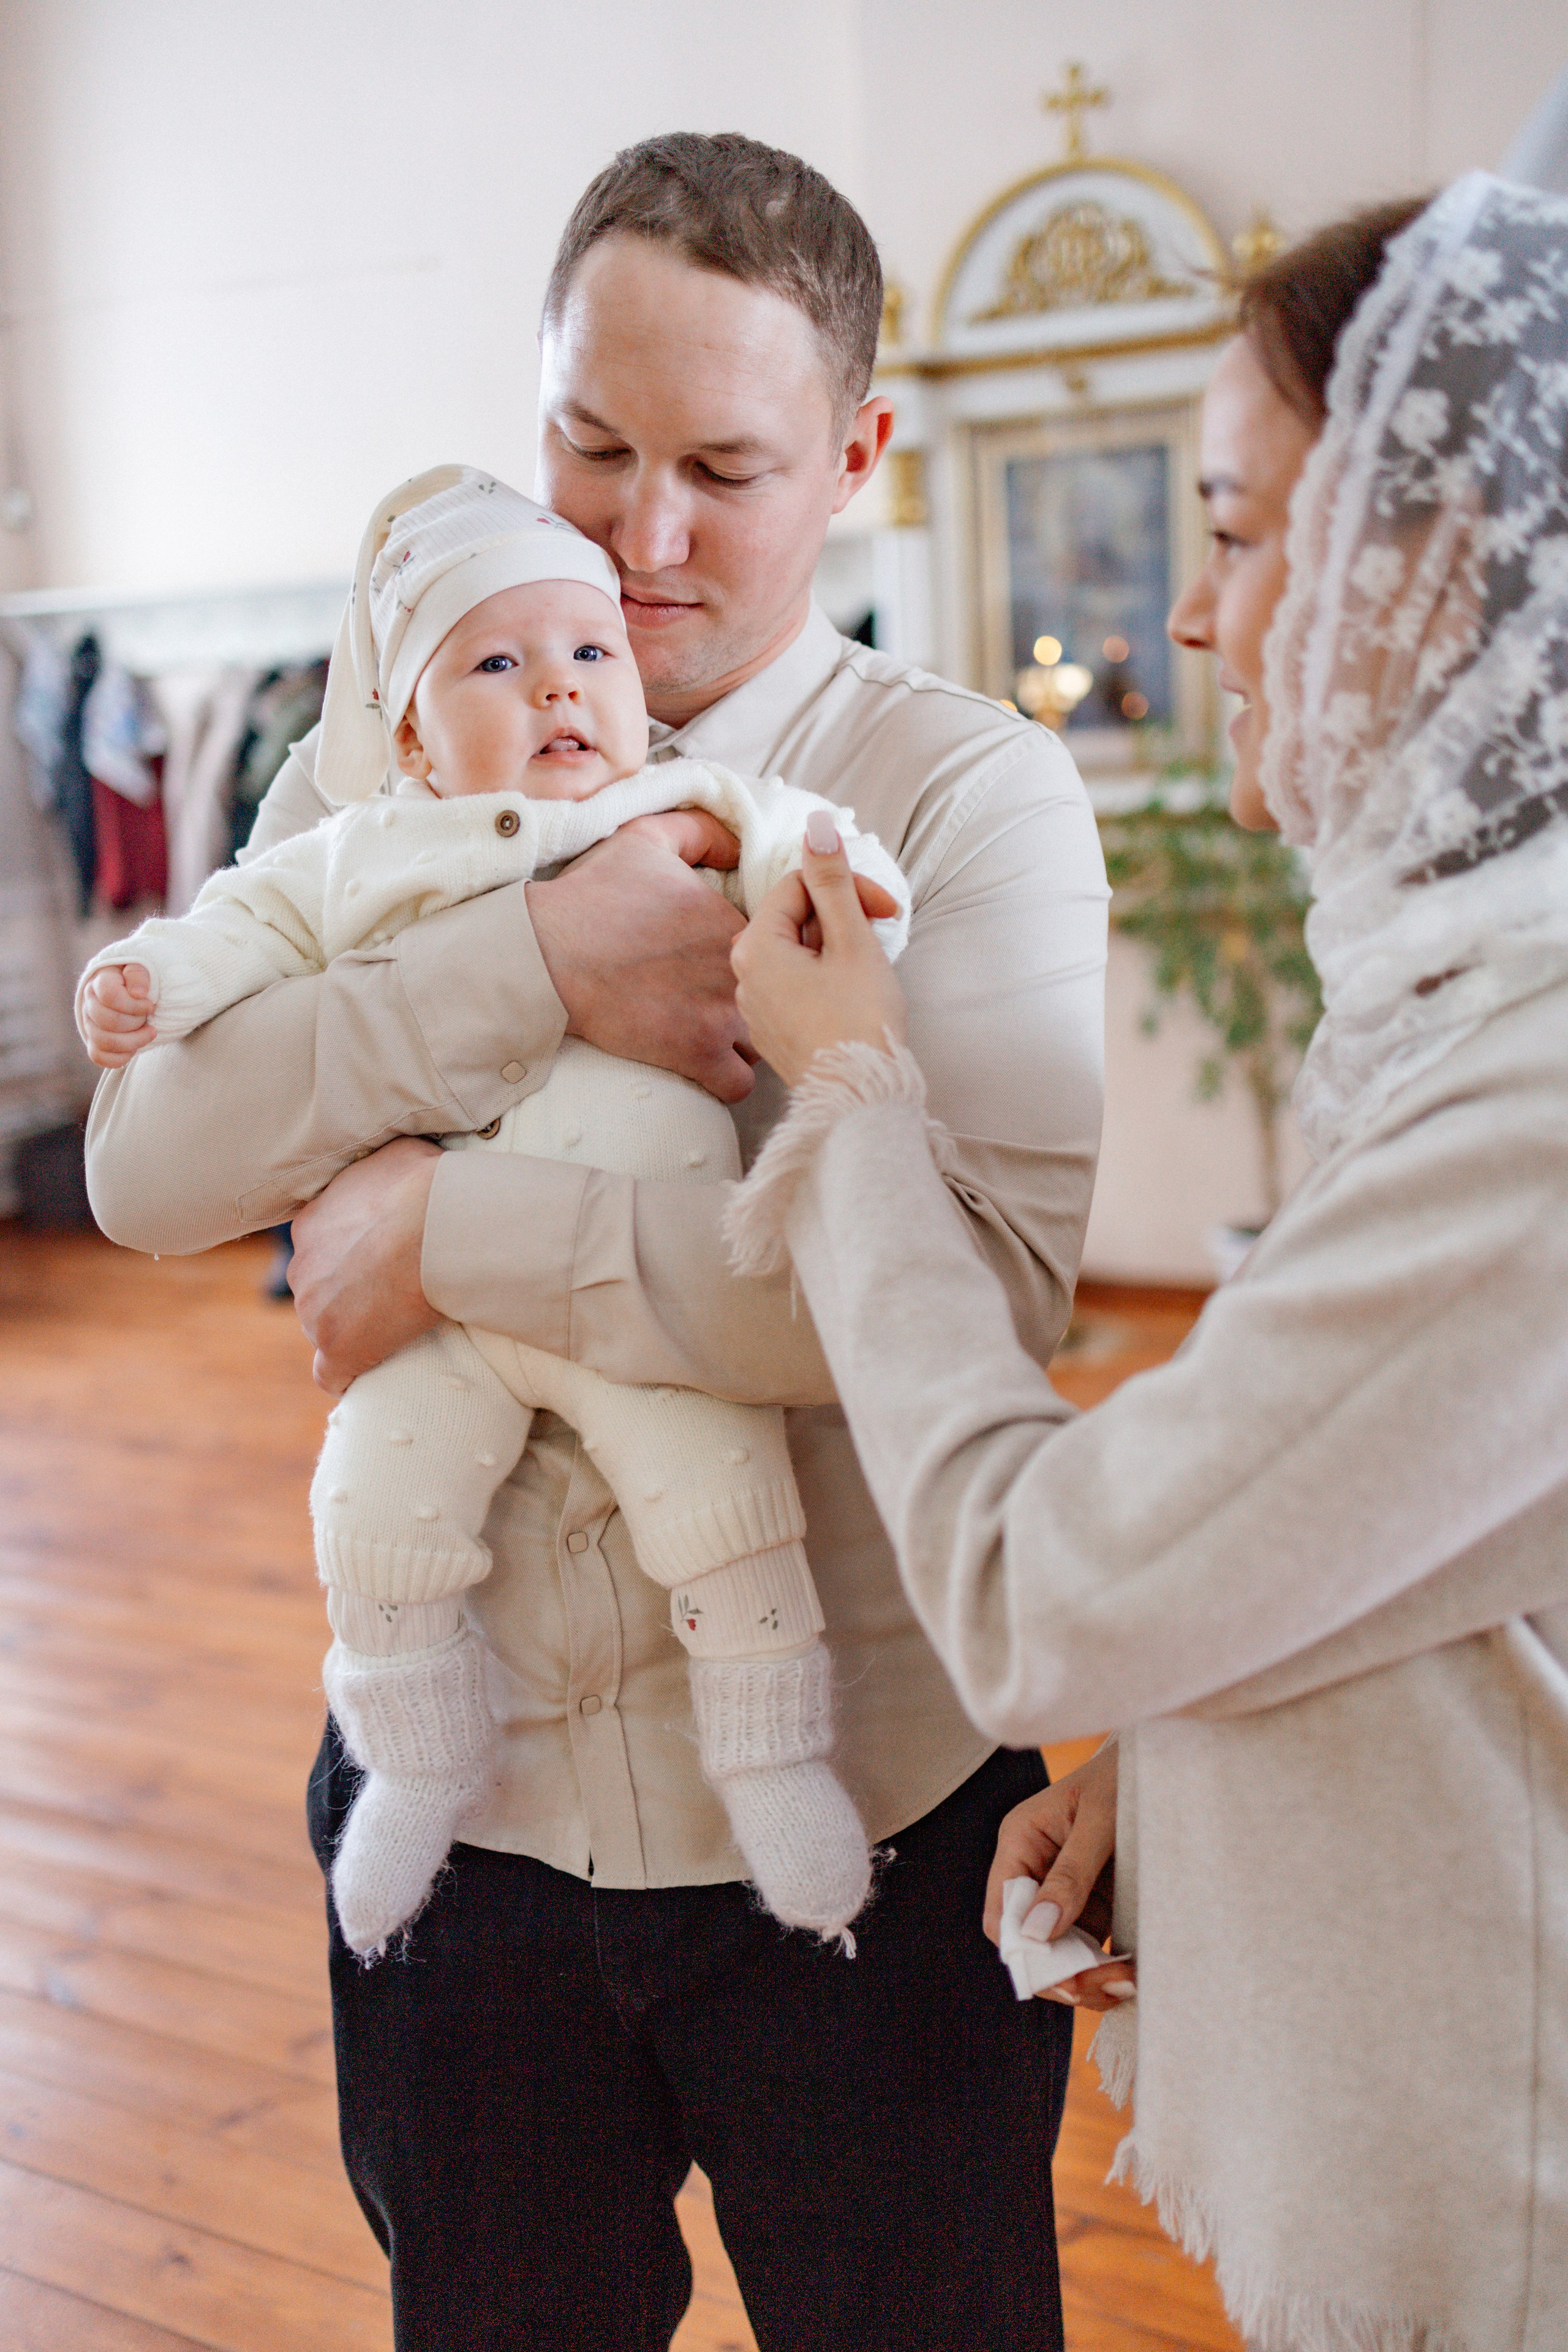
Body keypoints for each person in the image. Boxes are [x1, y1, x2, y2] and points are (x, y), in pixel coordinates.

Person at [84, 136, 1109, 2350]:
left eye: (724, 470)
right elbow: (148, 1173)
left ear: (859, 456)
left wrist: (446, 1224)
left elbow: (964, 1299)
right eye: (593, 444)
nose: (644, 542)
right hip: (465, 1832)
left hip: (872, 1819)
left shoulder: (962, 798)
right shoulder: (390, 745)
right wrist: (535, 960)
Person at [729, 174, 1568, 2352]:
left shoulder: (1542, 1098)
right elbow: (1435, 1544)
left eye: (1238, 530)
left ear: (1440, 573)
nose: (1192, 618)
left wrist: (854, 1099)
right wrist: (1174, 1771)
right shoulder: (1459, 987)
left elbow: (1042, 1592)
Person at [77, 466, 913, 1959]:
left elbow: (799, 837)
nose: (559, 690)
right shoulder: (358, 845)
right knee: (368, 1515)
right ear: (411, 734)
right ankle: (413, 1760)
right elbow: (242, 929)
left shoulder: (677, 801)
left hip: (643, 1283)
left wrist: (849, 892)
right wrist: (154, 981)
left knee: (722, 1505)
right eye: (498, 666)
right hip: (434, 1324)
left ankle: (772, 1760)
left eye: (588, 653)